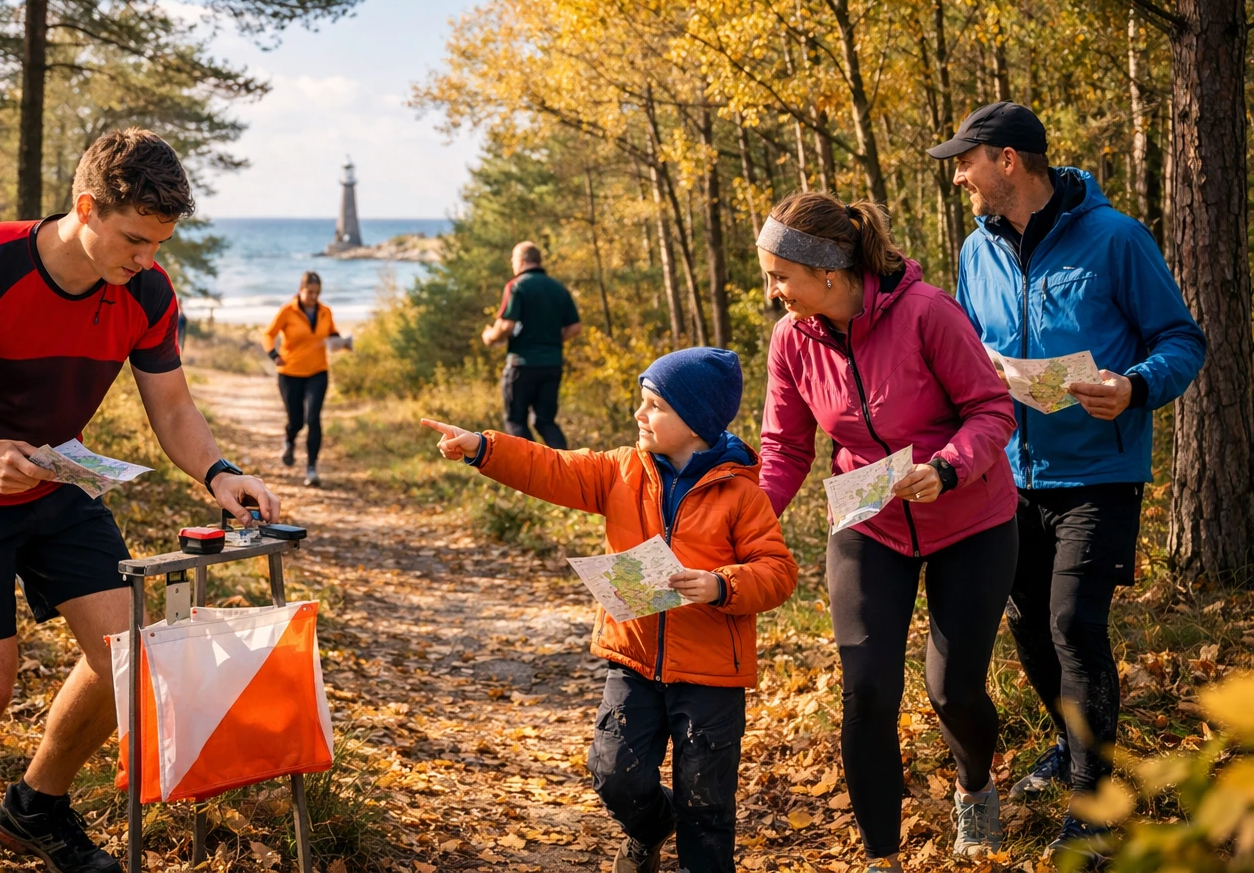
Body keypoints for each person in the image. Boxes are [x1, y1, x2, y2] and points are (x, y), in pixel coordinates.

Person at [0, 129, 281, 873]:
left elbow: (173, 407)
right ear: (86, 207)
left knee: (131, 654)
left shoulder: (146, 290)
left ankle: (34, 808)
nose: (147, 259)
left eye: (159, 244)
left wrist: (220, 472)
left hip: (58, 481)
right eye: (134, 240)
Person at [933, 101, 1206, 859]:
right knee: (1026, 624)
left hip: (1100, 470)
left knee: (1074, 625)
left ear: (1009, 160)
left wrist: (1136, 385)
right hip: (1007, 474)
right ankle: (1069, 745)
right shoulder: (974, 252)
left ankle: (1098, 799)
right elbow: (963, 348)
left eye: (967, 161)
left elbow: (1182, 338)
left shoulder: (1116, 238)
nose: (960, 177)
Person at [422, 347, 798, 873]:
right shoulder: (621, 470)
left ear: (696, 420)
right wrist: (482, 447)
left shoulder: (740, 494)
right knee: (613, 772)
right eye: (642, 402)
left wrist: (721, 585)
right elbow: (550, 467)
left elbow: (778, 571)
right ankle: (650, 828)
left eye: (654, 405)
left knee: (706, 805)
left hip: (712, 676)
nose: (639, 415)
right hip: (634, 659)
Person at [756, 192, 1019, 870]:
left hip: (969, 517)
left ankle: (975, 786)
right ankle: (882, 858)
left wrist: (947, 467)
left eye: (780, 275)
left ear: (830, 274)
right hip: (868, 523)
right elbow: (785, 448)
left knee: (952, 690)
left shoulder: (927, 312)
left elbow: (991, 409)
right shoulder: (791, 340)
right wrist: (751, 521)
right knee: (867, 688)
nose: (773, 290)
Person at [481, 241, 582, 449]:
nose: (512, 264)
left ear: (521, 261)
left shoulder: (517, 285)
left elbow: (507, 325)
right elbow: (574, 327)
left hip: (521, 364)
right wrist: (551, 341)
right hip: (552, 364)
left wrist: (490, 336)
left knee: (516, 421)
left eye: (512, 260)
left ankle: (532, 474)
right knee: (545, 421)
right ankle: (567, 472)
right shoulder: (558, 288)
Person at [262, 271, 347, 488]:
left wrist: (341, 342)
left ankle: (312, 468)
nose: (313, 297)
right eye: (309, 292)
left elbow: (332, 333)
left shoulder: (325, 312)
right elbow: (268, 334)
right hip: (290, 373)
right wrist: (274, 355)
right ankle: (289, 441)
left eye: (317, 293)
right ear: (301, 290)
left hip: (318, 372)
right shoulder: (287, 311)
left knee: (314, 418)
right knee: (296, 420)